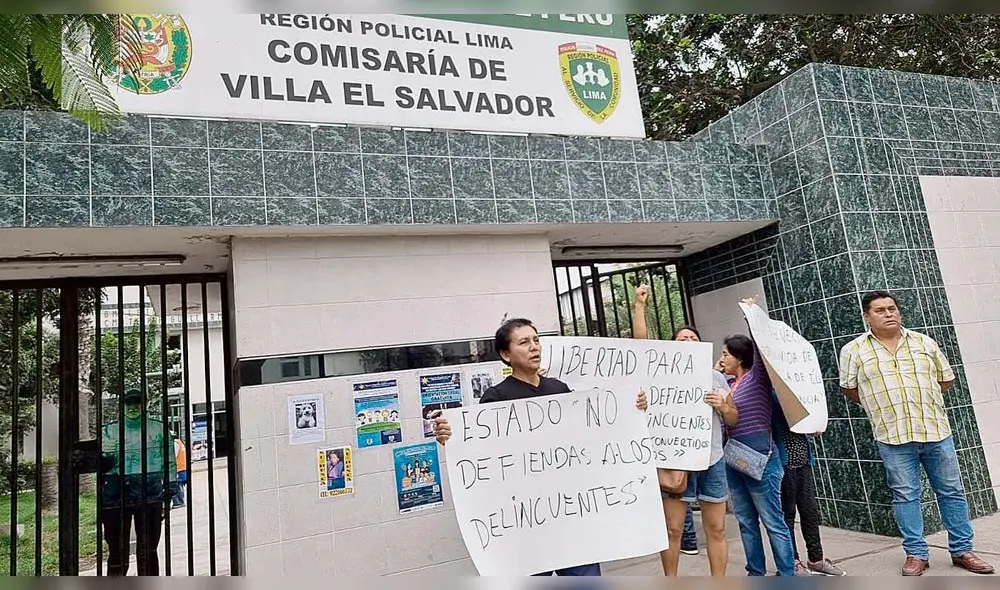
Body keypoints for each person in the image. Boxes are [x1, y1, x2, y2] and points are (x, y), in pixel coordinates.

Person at [431, 317, 648, 577]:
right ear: (505, 354)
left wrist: (631, 409)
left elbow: (592, 435)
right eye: (524, 342)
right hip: (527, 524)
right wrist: (449, 437)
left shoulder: (560, 389)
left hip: (571, 513)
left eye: (536, 340)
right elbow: (479, 452)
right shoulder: (496, 397)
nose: (534, 347)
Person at [839, 291, 994, 576]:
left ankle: (962, 550)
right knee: (905, 496)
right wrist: (881, 406)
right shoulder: (854, 350)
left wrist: (920, 400)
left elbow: (945, 379)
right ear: (867, 316)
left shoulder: (924, 342)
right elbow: (849, 388)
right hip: (892, 435)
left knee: (951, 492)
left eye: (892, 308)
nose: (889, 314)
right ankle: (916, 553)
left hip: (935, 430)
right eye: (881, 310)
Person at [632, 286, 736, 577]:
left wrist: (724, 407)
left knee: (716, 528)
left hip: (712, 460)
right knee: (673, 529)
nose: (688, 340)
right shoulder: (660, 374)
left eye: (693, 338)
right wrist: (639, 306)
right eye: (682, 338)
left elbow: (734, 418)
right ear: (672, 348)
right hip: (676, 461)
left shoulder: (716, 377)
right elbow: (642, 346)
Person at [720, 295, 796, 577]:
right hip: (735, 461)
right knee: (745, 522)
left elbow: (763, 350)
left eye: (725, 353)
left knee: (773, 521)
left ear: (739, 357)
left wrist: (751, 315)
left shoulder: (756, 377)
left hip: (762, 460)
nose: (722, 358)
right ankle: (756, 572)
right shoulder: (728, 384)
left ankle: (787, 573)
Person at [100, 387, 177, 576]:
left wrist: (170, 486)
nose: (133, 407)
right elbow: (99, 464)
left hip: (150, 489)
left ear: (145, 405)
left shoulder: (158, 429)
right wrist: (105, 457)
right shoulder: (109, 431)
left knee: (149, 547)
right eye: (129, 403)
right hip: (117, 490)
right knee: (117, 549)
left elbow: (169, 460)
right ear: (122, 406)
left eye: (137, 402)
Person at [771, 391, 845, 576]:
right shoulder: (771, 393)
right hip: (783, 463)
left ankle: (816, 559)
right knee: (787, 514)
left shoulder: (800, 389)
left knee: (810, 512)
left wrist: (814, 423)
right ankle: (791, 562)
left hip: (803, 461)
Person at [172, 431, 187, 509]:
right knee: (179, 485)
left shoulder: (175, 444)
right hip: (182, 467)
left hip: (178, 468)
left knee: (177, 485)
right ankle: (179, 501)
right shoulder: (180, 443)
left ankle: (178, 502)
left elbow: (173, 456)